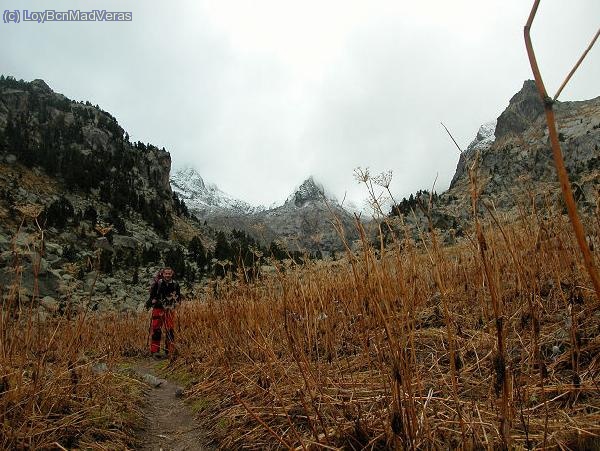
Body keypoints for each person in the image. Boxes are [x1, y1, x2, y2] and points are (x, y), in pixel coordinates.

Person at [146, 267, 181, 358]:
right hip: (158, 309)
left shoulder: (175, 284)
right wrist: (153, 301)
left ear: (172, 274)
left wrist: (176, 305)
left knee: (170, 330)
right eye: (166, 273)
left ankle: (169, 351)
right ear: (163, 274)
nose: (168, 275)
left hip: (170, 309)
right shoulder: (158, 283)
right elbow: (152, 296)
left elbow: (178, 297)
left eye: (169, 274)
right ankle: (154, 351)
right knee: (156, 330)